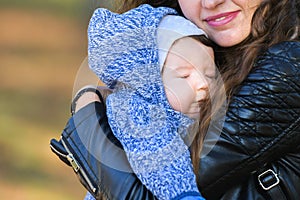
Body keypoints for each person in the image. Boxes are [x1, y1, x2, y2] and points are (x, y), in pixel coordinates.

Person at [67, 0, 299, 199]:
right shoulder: (189, 48)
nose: (210, 2)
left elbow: (143, 194)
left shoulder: (288, 66)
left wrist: (86, 108)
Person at [86, 4, 217, 200]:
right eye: (184, 76)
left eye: (210, 75)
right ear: (149, 81)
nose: (203, 85)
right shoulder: (135, 109)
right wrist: (184, 194)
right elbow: (157, 154)